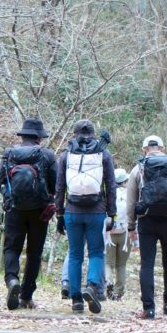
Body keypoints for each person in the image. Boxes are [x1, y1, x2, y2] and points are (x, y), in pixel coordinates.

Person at [0, 118, 57, 310]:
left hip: (14, 209)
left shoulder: (9, 154)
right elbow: (56, 184)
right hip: (40, 211)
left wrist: (8, 196)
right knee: (34, 253)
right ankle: (26, 296)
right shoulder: (47, 155)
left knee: (11, 248)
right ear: (39, 137)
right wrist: (50, 199)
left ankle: (12, 280)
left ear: (22, 136)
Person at [126, 135, 167, 319]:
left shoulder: (138, 168)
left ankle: (149, 308)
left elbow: (131, 200)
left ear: (144, 150)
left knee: (147, 263)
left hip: (146, 220)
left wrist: (131, 226)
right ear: (162, 149)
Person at [55, 119, 116, 314]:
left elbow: (60, 187)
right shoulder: (103, 153)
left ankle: (76, 300)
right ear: (93, 134)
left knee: (75, 254)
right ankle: (91, 286)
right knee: (96, 252)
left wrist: (59, 213)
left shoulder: (66, 154)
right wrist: (112, 213)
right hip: (96, 211)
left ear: (74, 134)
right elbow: (111, 185)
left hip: (72, 211)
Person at [105, 168, 131, 301]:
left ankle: (108, 282)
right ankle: (118, 292)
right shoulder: (130, 194)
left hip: (109, 233)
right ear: (124, 182)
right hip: (125, 234)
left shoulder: (108, 193)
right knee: (121, 264)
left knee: (108, 263)